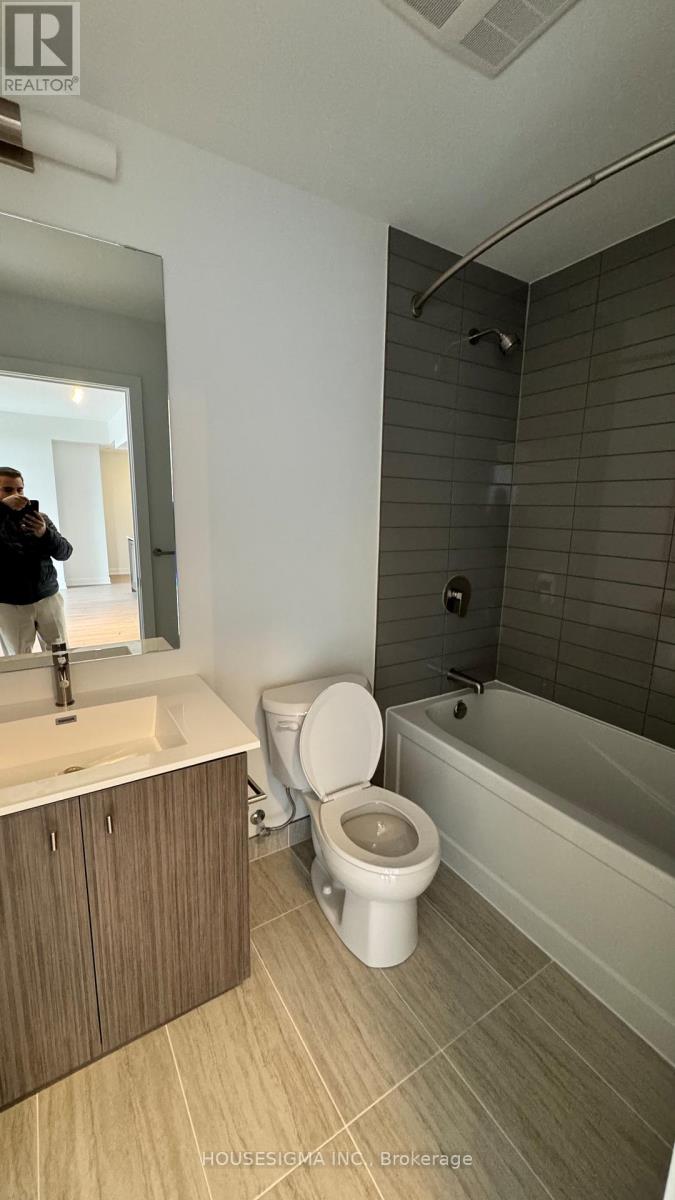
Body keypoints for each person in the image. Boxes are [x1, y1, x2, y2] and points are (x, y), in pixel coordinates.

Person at [0, 467, 73, 656]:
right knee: (19, 659)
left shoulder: (40, 519)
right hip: (10, 604)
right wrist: (3, 509)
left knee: (60, 655)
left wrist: (45, 534)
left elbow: (65, 552)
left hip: (48, 598)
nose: (16, 495)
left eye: (20, 489)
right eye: (8, 490)